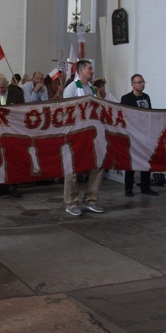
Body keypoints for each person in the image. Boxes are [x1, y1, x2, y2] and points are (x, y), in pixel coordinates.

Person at [62, 60, 105, 216]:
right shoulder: (72, 88)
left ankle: (91, 199)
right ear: (80, 70)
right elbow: (65, 111)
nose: (92, 71)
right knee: (72, 167)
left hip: (91, 133)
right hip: (75, 133)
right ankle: (71, 202)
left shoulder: (91, 88)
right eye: (89, 68)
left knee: (98, 164)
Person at [0, 73, 25, 197]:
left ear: (7, 84)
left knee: (12, 159)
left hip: (11, 132)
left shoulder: (17, 94)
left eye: (3, 87)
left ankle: (12, 185)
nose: (1, 90)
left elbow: (21, 111)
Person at [120, 74, 159, 197]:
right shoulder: (126, 98)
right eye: (139, 82)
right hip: (132, 134)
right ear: (132, 84)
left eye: (143, 82)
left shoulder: (146, 97)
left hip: (145, 133)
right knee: (131, 161)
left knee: (146, 160)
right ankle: (128, 188)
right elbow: (124, 115)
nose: (142, 84)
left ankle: (145, 186)